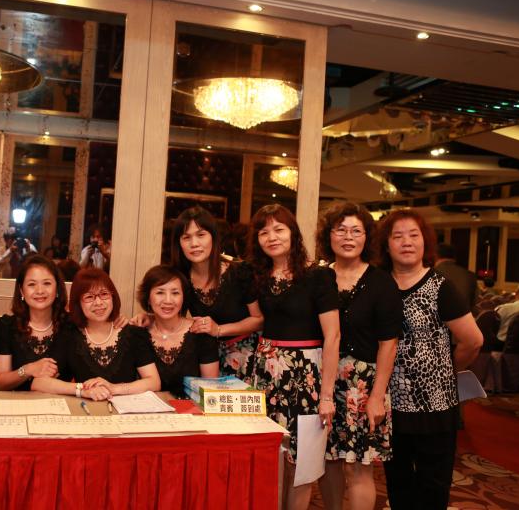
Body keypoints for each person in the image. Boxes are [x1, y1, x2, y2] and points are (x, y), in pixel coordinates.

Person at [377, 209, 482, 510]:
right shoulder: (379, 286)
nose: (407, 242)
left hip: (435, 405)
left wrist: (445, 369)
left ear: (425, 242)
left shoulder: (440, 287)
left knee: (432, 487)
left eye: (414, 235)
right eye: (398, 236)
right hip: (390, 402)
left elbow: (473, 341)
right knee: (397, 483)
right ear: (386, 245)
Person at [248, 204, 340, 510]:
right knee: (269, 459)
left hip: (306, 375)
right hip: (266, 373)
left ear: (293, 233)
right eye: (264, 232)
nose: (271, 237)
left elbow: (333, 336)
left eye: (279, 229)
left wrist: (326, 396)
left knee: (303, 464)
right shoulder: (258, 276)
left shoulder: (318, 276)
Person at [315, 203, 401, 510]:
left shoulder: (381, 282)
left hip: (362, 387)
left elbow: (389, 344)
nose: (348, 237)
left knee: (360, 467)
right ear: (329, 236)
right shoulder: (318, 277)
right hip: (322, 380)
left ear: (367, 237)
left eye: (356, 231)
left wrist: (377, 396)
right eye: (340, 230)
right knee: (327, 461)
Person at [32, 268, 160, 399]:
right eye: (89, 297)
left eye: (104, 294)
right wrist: (82, 389)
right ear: (78, 303)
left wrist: (114, 389)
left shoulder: (134, 334)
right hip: (86, 409)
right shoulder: (69, 335)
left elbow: (154, 381)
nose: (98, 303)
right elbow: (39, 382)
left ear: (113, 297)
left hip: (127, 410)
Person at [169, 206, 263, 379]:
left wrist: (218, 329)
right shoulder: (180, 278)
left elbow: (259, 320)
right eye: (186, 237)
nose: (194, 243)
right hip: (206, 359)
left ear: (213, 237)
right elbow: (175, 319)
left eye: (201, 235)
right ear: (179, 243)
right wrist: (150, 318)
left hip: (248, 359)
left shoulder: (239, 271)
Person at [136, 265, 219, 395]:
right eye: (160, 292)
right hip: (148, 407)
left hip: (192, 406)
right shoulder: (139, 333)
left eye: (175, 293)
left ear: (183, 298)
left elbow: (211, 390)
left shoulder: (201, 333)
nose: (168, 300)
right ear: (148, 299)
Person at [0, 255, 67, 390]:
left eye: (47, 283)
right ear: (22, 291)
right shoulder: (7, 326)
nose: (40, 291)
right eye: (32, 284)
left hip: (62, 400)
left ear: (57, 288)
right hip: (18, 402)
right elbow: (1, 383)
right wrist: (28, 369)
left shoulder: (70, 325)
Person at [435, 243, 478, 311]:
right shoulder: (470, 275)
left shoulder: (431, 274)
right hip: (465, 316)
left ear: (435, 256)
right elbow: (474, 304)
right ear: (454, 258)